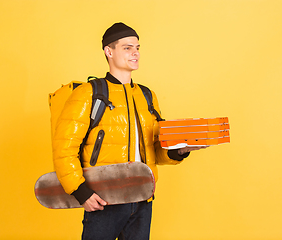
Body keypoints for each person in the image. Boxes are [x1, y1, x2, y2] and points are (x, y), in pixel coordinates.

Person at [52, 22, 207, 240]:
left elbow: (155, 149)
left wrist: (180, 150)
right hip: (103, 200)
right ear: (109, 51)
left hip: (143, 199)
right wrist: (81, 193)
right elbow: (63, 149)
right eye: (127, 48)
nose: (135, 53)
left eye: (137, 48)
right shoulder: (88, 94)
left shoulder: (146, 95)